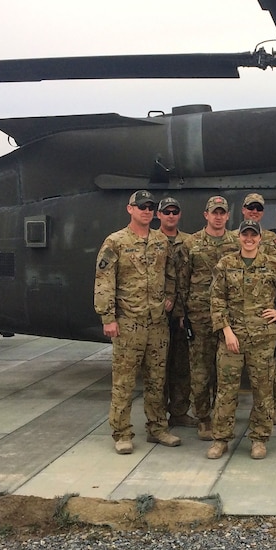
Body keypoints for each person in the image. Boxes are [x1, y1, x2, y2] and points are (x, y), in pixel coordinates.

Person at [206, 220, 276, 460]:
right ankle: (220, 439)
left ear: (260, 238)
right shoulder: (226, 264)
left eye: (253, 235)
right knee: (226, 391)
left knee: (263, 390)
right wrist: (226, 331)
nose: (249, 239)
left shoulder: (272, 264)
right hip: (232, 338)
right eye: (245, 235)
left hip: (263, 338)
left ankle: (259, 439)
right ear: (239, 237)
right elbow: (216, 300)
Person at [93, 189, 180, 454]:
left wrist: (170, 296)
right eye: (141, 206)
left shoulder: (160, 241)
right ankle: (121, 433)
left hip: (157, 323)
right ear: (130, 209)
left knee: (157, 378)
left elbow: (170, 273)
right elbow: (104, 281)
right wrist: (108, 317)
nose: (146, 210)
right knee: (124, 380)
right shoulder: (115, 241)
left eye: (150, 206)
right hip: (128, 321)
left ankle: (157, 428)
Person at [179, 195, 237, 441]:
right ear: (206, 215)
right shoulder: (191, 244)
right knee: (201, 372)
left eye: (222, 212)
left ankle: (223, 418)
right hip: (200, 315)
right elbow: (182, 281)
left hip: (228, 317)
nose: (218, 216)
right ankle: (203, 418)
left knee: (226, 372)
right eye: (214, 212)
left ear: (227, 215)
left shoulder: (236, 242)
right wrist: (182, 314)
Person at [241, 192, 276, 426]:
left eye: (258, 209)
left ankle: (273, 407)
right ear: (243, 210)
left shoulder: (270, 238)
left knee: (269, 366)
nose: (254, 212)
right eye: (250, 208)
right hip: (238, 314)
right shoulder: (233, 238)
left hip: (264, 312)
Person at [158, 196, 198, 428]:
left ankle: (180, 411)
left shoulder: (189, 242)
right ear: (159, 215)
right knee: (158, 367)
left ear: (179, 215)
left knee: (183, 365)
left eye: (174, 211)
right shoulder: (152, 240)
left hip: (182, 313)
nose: (171, 215)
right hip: (158, 313)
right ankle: (158, 415)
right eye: (166, 211)